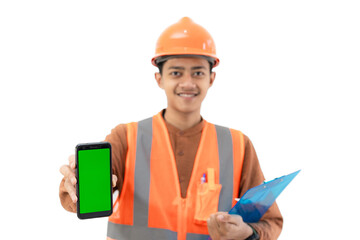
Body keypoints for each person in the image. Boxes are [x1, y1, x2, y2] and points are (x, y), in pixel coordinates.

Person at [59, 17, 283, 240]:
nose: (187, 83)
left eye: (198, 72)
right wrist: (76, 185)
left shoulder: (237, 145)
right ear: (159, 78)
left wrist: (249, 233)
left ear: (211, 78)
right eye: (176, 72)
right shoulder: (126, 138)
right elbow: (78, 195)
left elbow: (269, 222)